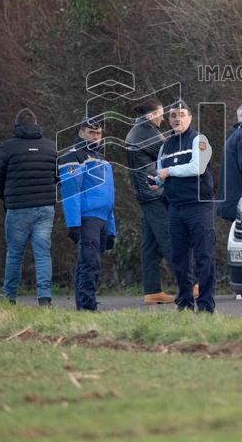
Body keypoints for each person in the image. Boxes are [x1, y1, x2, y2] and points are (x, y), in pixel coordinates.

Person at [150, 100, 216, 313]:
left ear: (190, 117)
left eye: (181, 114)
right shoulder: (165, 146)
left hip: (199, 207)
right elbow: (161, 174)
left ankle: (206, 306)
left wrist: (169, 172)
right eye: (172, 116)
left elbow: (197, 168)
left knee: (203, 257)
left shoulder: (200, 140)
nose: (177, 119)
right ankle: (185, 303)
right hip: (175, 209)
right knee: (179, 259)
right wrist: (157, 182)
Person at [0, 108, 58, 306]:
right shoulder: (50, 147)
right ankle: (45, 297)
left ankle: (10, 296)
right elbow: (58, 176)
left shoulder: (8, 147)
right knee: (43, 253)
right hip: (45, 208)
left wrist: (7, 199)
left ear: (17, 126)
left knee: (14, 253)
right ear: (36, 124)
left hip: (18, 208)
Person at [59, 118, 116, 312]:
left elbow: (109, 197)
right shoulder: (72, 157)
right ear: (81, 132)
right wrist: (73, 224)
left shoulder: (104, 161)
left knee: (92, 264)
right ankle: (87, 307)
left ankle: (85, 305)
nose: (95, 136)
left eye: (98, 133)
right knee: (89, 264)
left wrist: (112, 230)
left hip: (102, 220)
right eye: (91, 132)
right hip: (87, 219)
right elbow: (70, 192)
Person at [125, 99, 178, 304]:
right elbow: (171, 156)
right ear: (150, 116)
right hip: (154, 195)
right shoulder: (147, 134)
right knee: (168, 238)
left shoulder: (137, 131)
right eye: (161, 114)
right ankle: (188, 283)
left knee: (149, 245)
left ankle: (152, 290)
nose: (163, 118)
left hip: (145, 195)